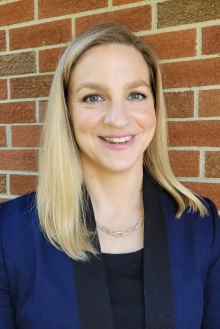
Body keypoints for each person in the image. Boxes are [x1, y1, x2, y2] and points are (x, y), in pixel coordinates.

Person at [0, 22, 219, 329]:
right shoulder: (9, 233)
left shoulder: (201, 224)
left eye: (136, 95)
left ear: (155, 107)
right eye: (93, 97)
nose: (118, 119)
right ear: (67, 112)